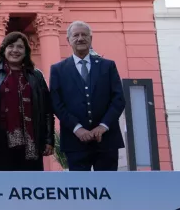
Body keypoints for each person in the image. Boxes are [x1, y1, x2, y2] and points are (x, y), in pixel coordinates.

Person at [49, 21, 126, 171]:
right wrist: (77, 128)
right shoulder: (58, 70)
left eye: (84, 35)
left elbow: (118, 99)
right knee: (80, 190)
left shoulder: (108, 66)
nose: (80, 38)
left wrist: (103, 126)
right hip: (75, 141)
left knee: (108, 189)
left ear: (91, 38)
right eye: (75, 35)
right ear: (68, 40)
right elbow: (56, 103)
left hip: (106, 140)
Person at [0, 32, 54, 171]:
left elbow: (47, 109)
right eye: (11, 46)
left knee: (31, 185)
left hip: (32, 140)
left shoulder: (36, 75)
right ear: (3, 49)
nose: (15, 50)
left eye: (20, 47)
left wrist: (49, 140)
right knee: (4, 183)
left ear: (26, 51)